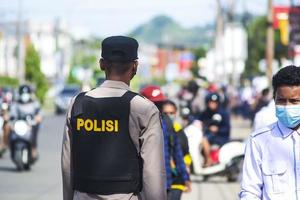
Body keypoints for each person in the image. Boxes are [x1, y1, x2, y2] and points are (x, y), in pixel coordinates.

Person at [61, 36, 166, 200]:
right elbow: (153, 171)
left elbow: (68, 164)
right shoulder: (143, 108)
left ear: (102, 64)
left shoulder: (78, 103)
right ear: (135, 66)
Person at [240, 65, 300, 199]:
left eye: (294, 101)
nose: (287, 107)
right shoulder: (259, 141)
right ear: (274, 100)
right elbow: (250, 191)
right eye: (281, 101)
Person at [140, 85, 191, 200]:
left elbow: (177, 152)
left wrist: (185, 177)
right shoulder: (135, 122)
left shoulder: (167, 124)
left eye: (159, 104)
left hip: (164, 182)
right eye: (153, 104)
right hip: (141, 184)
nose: (156, 107)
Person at [161, 100, 192, 200]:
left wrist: (186, 175)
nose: (169, 115)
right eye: (165, 113)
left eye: (171, 113)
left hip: (177, 179)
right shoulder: (157, 131)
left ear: (176, 113)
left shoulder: (179, 131)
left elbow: (185, 153)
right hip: (163, 178)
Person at [9, 84, 42, 160]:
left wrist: (37, 118)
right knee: (9, 129)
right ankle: (7, 145)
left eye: (26, 93)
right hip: (19, 124)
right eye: (23, 94)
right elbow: (12, 114)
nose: (25, 95)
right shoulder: (16, 104)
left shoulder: (34, 103)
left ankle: (33, 148)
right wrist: (11, 119)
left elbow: (39, 114)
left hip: (30, 124)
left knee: (35, 128)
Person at [198, 92, 230, 167]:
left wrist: (217, 129)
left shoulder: (223, 113)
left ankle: (209, 160)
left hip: (220, 137)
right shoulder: (205, 113)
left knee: (204, 139)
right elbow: (198, 120)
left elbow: (227, 129)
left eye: (215, 102)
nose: (212, 104)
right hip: (209, 135)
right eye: (211, 102)